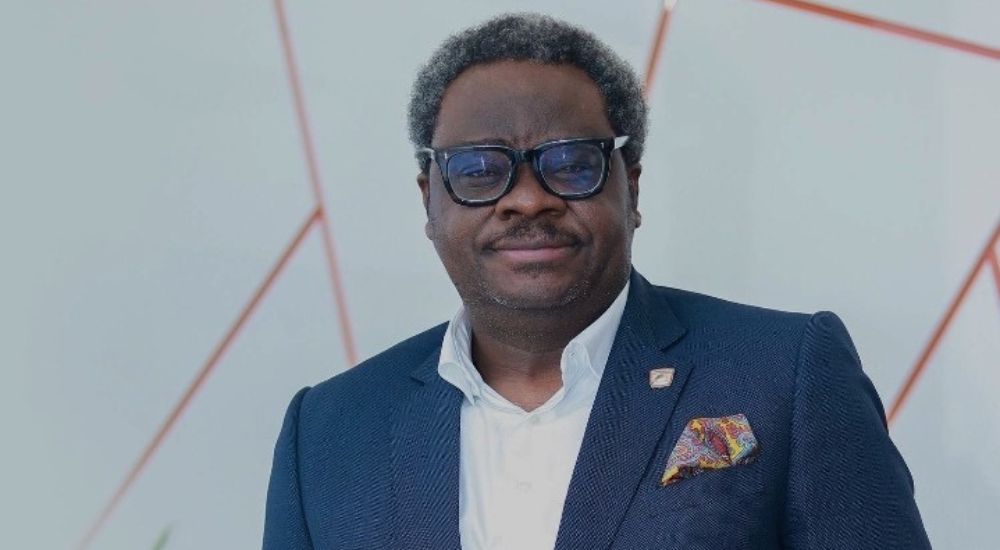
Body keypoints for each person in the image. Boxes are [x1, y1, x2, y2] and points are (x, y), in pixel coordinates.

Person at [263, 13, 930, 550]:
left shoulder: (785, 373)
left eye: (571, 164)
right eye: (479, 171)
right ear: (428, 201)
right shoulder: (328, 431)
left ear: (630, 188)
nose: (528, 199)